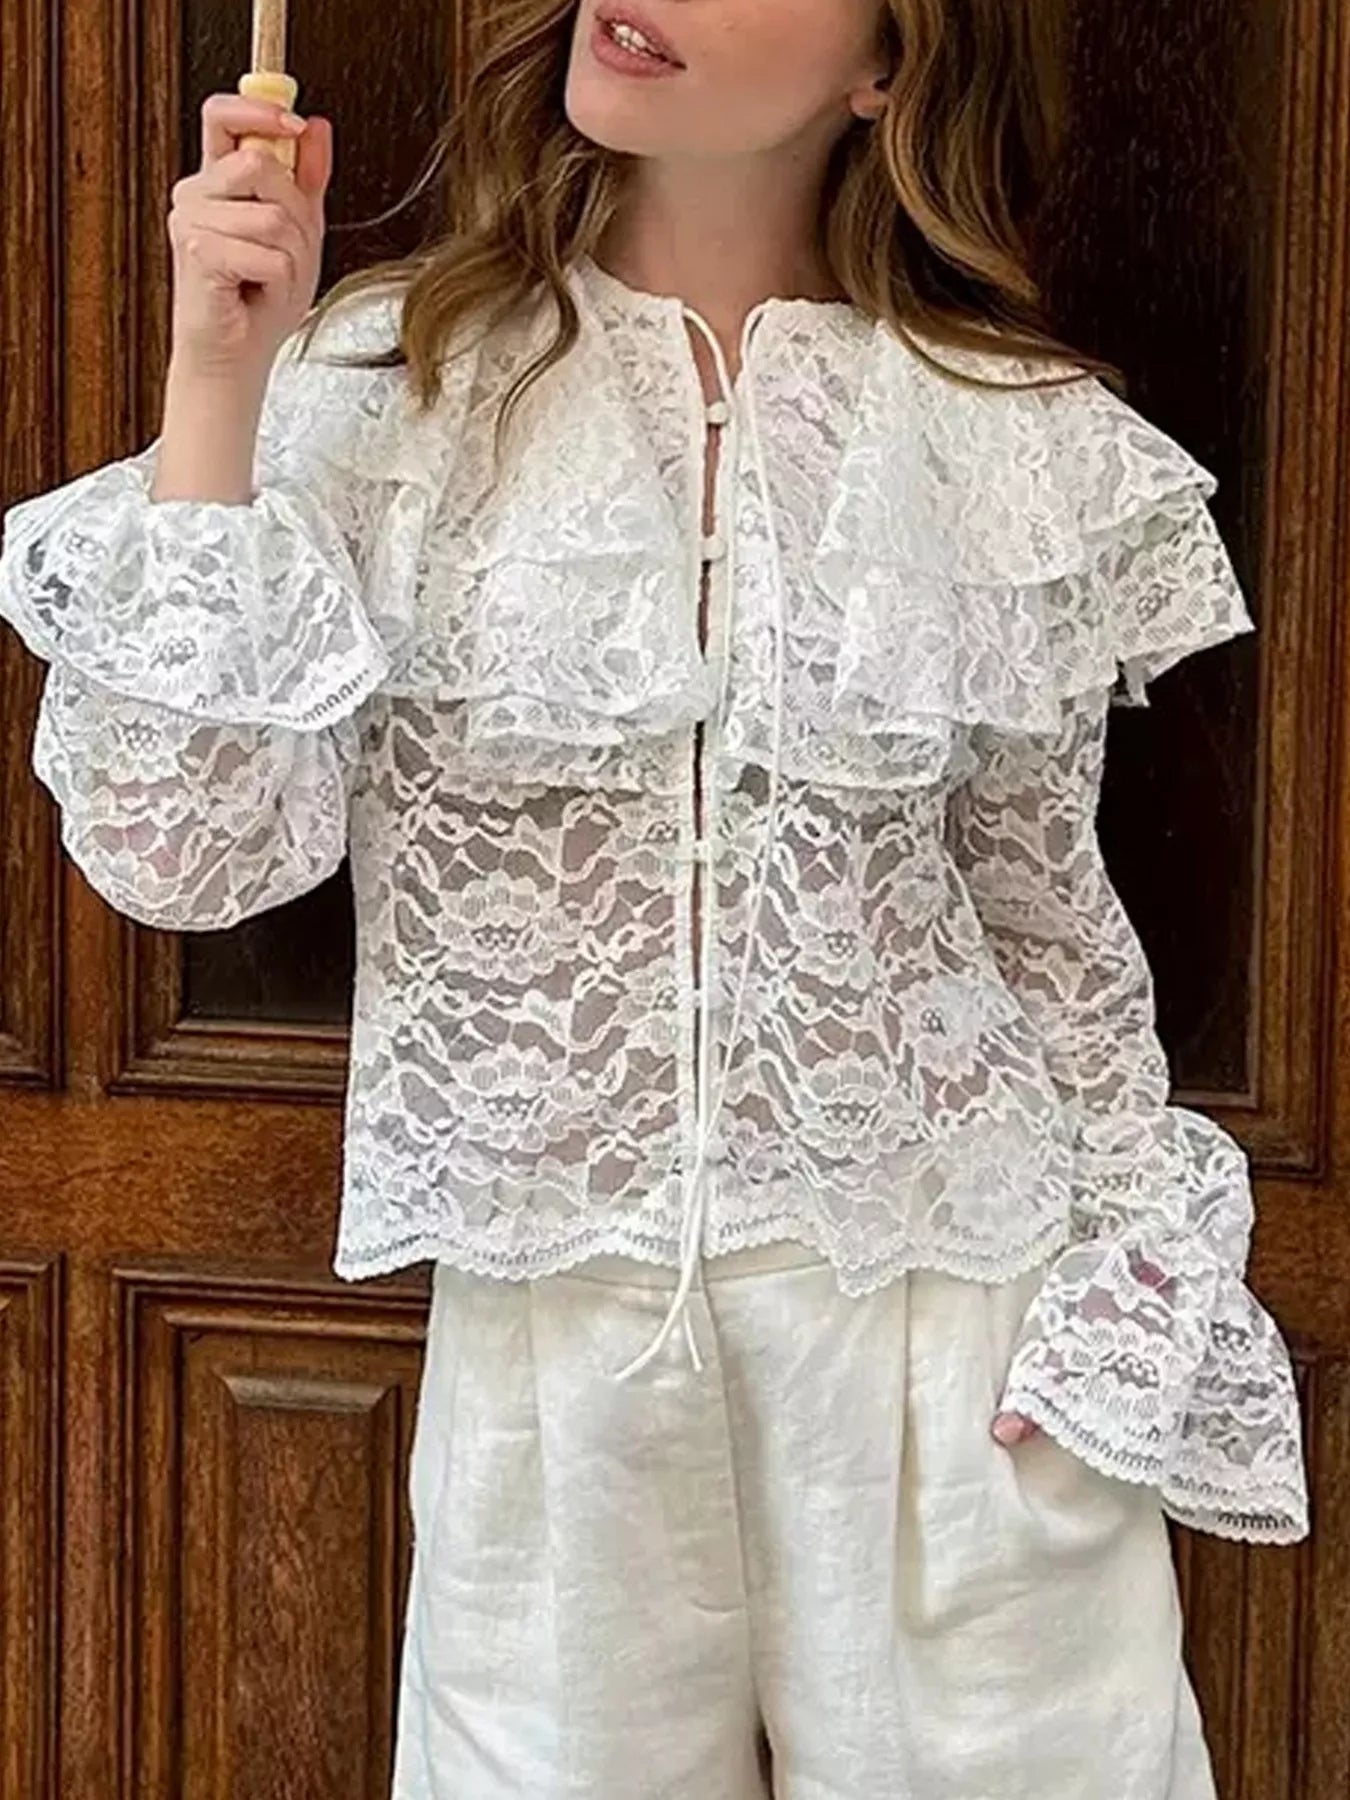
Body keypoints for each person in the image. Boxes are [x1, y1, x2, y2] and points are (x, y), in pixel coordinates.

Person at [0, 2, 1311, 1795]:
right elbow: (188, 850)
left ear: (889, 62)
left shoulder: (1013, 438)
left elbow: (1044, 923)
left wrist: (1123, 1290)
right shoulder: (391, 391)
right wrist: (217, 386)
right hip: (557, 1342)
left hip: (951, 1344)